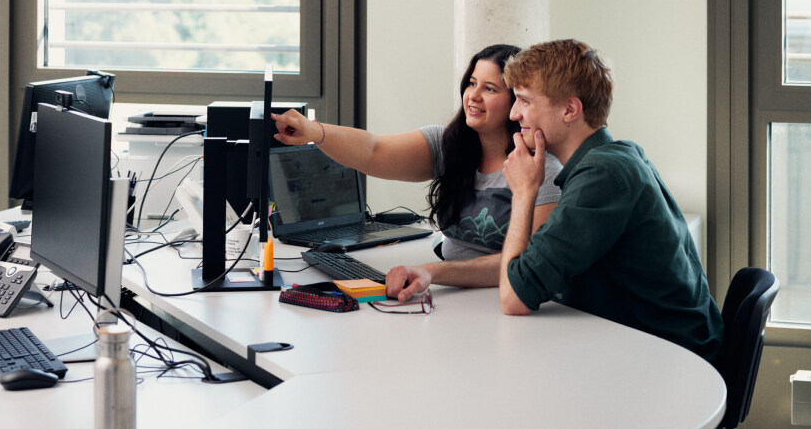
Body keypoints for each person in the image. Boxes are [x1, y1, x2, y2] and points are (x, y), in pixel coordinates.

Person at [272, 44, 562, 301]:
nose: (473, 96)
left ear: (516, 101)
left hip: (502, 301)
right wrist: (314, 132)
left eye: (489, 88)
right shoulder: (448, 145)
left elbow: (526, 264)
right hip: (453, 297)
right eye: (471, 83)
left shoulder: (541, 169)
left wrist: (432, 272)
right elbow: (373, 151)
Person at [497, 39, 723, 360]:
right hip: (662, 349)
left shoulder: (602, 175)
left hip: (670, 364)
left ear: (570, 109)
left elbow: (513, 298)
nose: (513, 113)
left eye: (524, 100)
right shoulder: (617, 156)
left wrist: (523, 192)